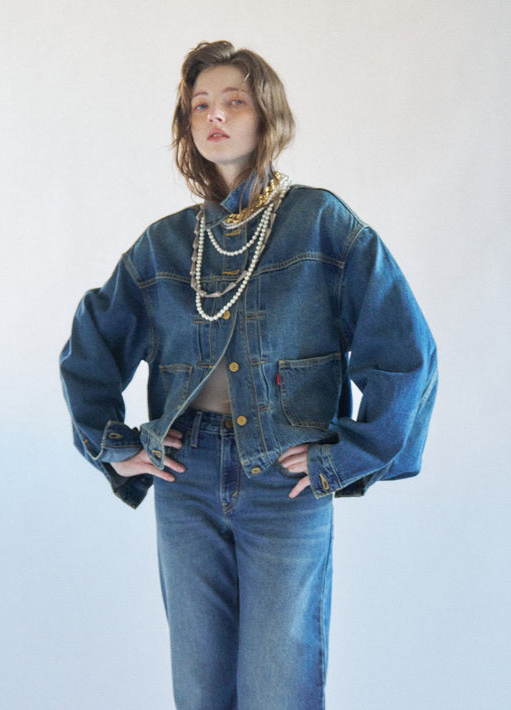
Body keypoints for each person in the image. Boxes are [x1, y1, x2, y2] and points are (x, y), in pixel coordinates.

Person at [60, 40, 437, 710]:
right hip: (184, 474)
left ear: (266, 114)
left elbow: (405, 350)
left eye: (233, 101)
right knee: (200, 682)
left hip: (285, 478)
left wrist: (348, 455)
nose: (215, 115)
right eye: (200, 105)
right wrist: (113, 446)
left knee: (277, 683)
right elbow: (91, 343)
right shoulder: (165, 243)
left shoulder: (321, 223)